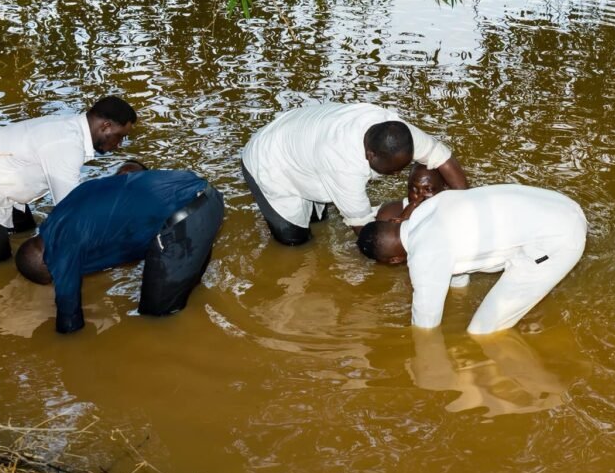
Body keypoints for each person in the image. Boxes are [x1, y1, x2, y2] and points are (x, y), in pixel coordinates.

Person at [15, 162, 224, 334]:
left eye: (52, 277)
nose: (59, 277)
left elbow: (69, 318)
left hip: (188, 217)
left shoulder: (60, 252)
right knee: (187, 282)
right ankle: (196, 302)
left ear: (47, 265)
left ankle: (175, 347)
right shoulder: (59, 214)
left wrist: (63, 347)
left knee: (158, 312)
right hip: (202, 193)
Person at [356, 184, 587, 334]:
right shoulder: (428, 209)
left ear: (395, 260)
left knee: (482, 333)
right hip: (561, 204)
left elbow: (425, 328)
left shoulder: (425, 258)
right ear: (394, 222)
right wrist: (459, 302)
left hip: (557, 240)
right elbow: (455, 265)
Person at [0, 96, 137, 263]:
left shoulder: (70, 127)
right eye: (120, 136)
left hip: (3, 185)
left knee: (26, 232)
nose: (119, 145)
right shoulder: (66, 145)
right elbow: (71, 211)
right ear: (106, 126)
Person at [241, 102, 468, 246]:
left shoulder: (397, 131)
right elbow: (366, 232)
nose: (399, 174)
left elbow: (444, 160)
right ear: (370, 155)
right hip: (271, 160)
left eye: (403, 166)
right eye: (393, 169)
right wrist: (406, 248)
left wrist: (465, 207)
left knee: (318, 222)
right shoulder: (343, 164)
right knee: (295, 243)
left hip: (302, 139)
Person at [376, 164, 448, 221]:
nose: (420, 197)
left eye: (428, 190)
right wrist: (404, 218)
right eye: (414, 190)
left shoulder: (451, 211)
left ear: (445, 188)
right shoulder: (389, 213)